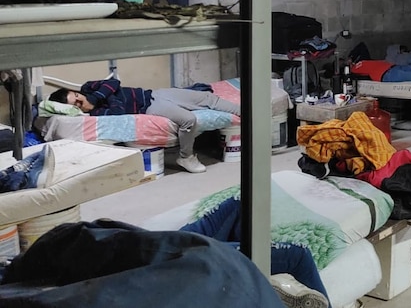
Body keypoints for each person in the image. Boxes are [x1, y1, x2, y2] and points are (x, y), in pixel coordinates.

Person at [49, 79, 240, 174]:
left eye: (77, 96)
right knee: (188, 120)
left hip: (154, 93)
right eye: (75, 104)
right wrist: (101, 101)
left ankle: (248, 112)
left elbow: (113, 82)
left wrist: (96, 97)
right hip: (149, 107)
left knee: (207, 98)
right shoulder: (96, 114)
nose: (80, 101)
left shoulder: (89, 88)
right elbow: (119, 112)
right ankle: (186, 157)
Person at [180, 196, 329, 308]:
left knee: (242, 202)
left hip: (174, 242)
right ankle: (253, 286)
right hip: (184, 258)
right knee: (299, 255)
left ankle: (252, 279)